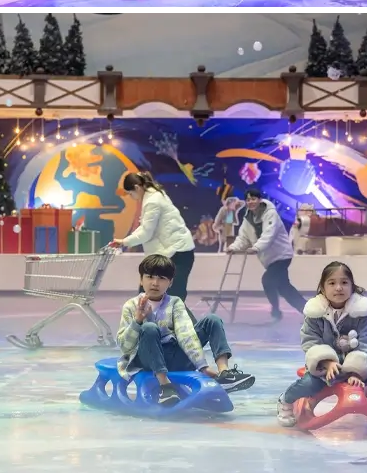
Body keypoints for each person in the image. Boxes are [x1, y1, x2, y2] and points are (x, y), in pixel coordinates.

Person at [276, 260, 367, 439]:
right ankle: (285, 401)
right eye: (332, 283)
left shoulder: (361, 311)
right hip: (327, 368)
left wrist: (357, 371)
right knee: (309, 383)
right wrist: (327, 362)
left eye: (344, 282)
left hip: (361, 363)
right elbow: (310, 341)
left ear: (352, 286)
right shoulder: (314, 313)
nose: (338, 288)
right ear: (322, 287)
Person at [117, 254, 255, 407]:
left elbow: (186, 334)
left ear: (170, 283)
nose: (155, 283)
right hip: (147, 360)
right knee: (149, 328)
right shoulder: (131, 306)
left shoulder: (175, 303)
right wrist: (137, 321)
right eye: (149, 277)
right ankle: (165, 386)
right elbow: (125, 347)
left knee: (212, 320)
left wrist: (203, 367)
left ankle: (224, 374)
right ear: (141, 280)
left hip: (174, 357)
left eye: (162, 278)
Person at [115, 172, 196, 303]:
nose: (132, 197)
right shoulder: (155, 196)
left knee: (174, 301)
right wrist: (125, 241)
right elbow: (146, 228)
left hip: (178, 253)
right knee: (147, 296)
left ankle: (189, 324)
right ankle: (145, 322)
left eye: (130, 194)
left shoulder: (152, 201)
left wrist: (124, 242)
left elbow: (146, 233)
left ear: (137, 187)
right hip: (171, 253)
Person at [227, 187, 306, 321]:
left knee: (267, 280)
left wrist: (256, 248)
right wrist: (233, 247)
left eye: (253, 199)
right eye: (248, 200)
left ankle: (276, 311)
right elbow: (243, 237)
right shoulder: (248, 218)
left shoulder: (271, 214)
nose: (250, 202)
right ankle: (308, 312)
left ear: (259, 200)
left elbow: (269, 234)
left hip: (282, 255)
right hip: (269, 259)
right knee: (284, 288)